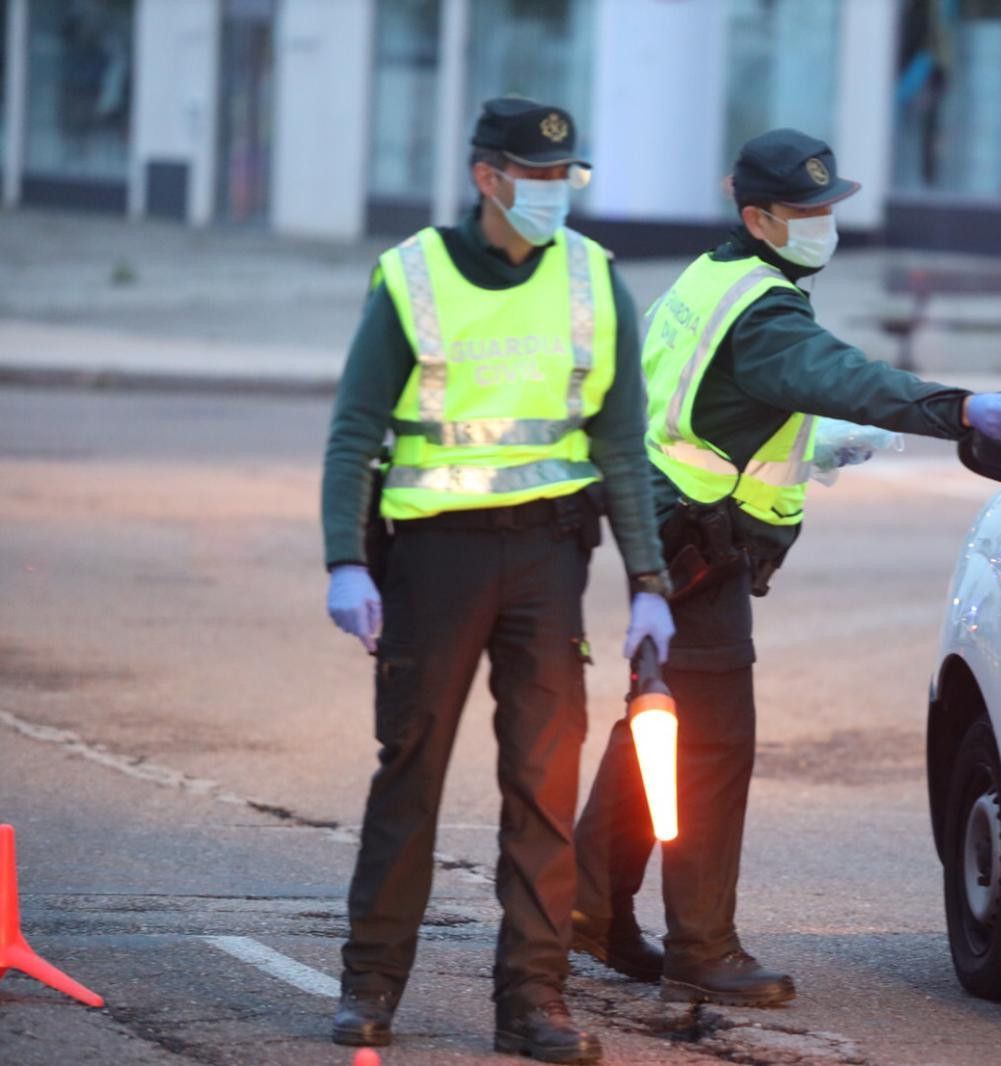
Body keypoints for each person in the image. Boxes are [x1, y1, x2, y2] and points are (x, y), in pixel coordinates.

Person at [570, 128, 1001, 1007]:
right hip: (697, 550)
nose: (825, 222)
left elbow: (706, 396)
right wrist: (965, 408)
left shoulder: (713, 277)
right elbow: (842, 376)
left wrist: (805, 439)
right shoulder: (766, 309)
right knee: (710, 750)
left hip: (661, 533)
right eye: (807, 211)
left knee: (653, 728)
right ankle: (702, 948)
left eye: (831, 206)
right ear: (757, 216)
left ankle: (586, 908)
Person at [320, 96, 675, 1064]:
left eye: (568, 177)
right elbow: (357, 428)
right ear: (489, 178)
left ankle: (532, 1001)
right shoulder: (414, 278)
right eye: (538, 176)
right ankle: (370, 986)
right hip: (432, 559)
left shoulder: (595, 281)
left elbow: (619, 442)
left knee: (542, 785)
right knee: (412, 774)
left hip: (549, 560)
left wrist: (648, 578)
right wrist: (345, 559)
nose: (556, 193)